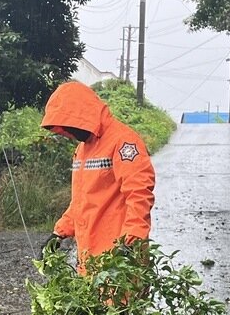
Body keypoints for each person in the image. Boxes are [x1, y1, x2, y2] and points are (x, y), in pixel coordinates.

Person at [41, 81, 155, 266]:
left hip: (119, 258)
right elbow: (82, 201)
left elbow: (139, 195)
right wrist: (60, 232)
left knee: (120, 296)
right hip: (90, 257)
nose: (68, 133)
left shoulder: (123, 142)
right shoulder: (83, 149)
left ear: (83, 116)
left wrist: (131, 241)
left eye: (68, 126)